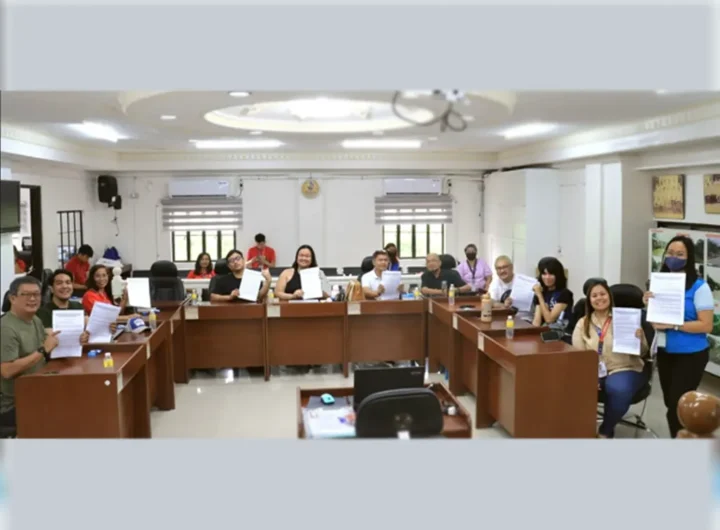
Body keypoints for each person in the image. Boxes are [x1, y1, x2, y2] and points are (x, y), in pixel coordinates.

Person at [643, 235, 713, 438]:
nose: (674, 258)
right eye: (670, 253)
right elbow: (655, 320)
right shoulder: (658, 283)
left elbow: (706, 325)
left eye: (680, 254)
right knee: (670, 403)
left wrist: (674, 325)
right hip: (666, 352)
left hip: (691, 355)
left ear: (689, 258)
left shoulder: (700, 287)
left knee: (678, 405)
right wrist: (648, 304)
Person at [0, 277, 87, 429]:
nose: (32, 299)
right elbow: (7, 371)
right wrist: (43, 350)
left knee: (84, 396)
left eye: (36, 294)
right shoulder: (6, 328)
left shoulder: (35, 320)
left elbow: (48, 346)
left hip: (39, 389)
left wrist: (77, 338)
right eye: (26, 294)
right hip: (16, 403)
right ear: (12, 298)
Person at [572, 279, 649, 438]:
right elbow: (579, 357)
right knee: (574, 386)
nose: (599, 298)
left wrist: (639, 339)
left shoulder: (625, 319)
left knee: (617, 388)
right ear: (589, 300)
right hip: (595, 369)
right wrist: (589, 376)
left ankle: (605, 430)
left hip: (626, 367)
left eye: (603, 294)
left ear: (610, 296)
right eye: (594, 295)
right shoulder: (583, 323)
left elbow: (643, 352)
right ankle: (580, 431)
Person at [532, 257, 574, 328]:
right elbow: (536, 323)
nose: (547, 277)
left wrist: (540, 296)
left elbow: (549, 319)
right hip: (544, 330)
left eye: (551, 274)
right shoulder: (541, 293)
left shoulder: (565, 293)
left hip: (561, 330)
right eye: (544, 274)